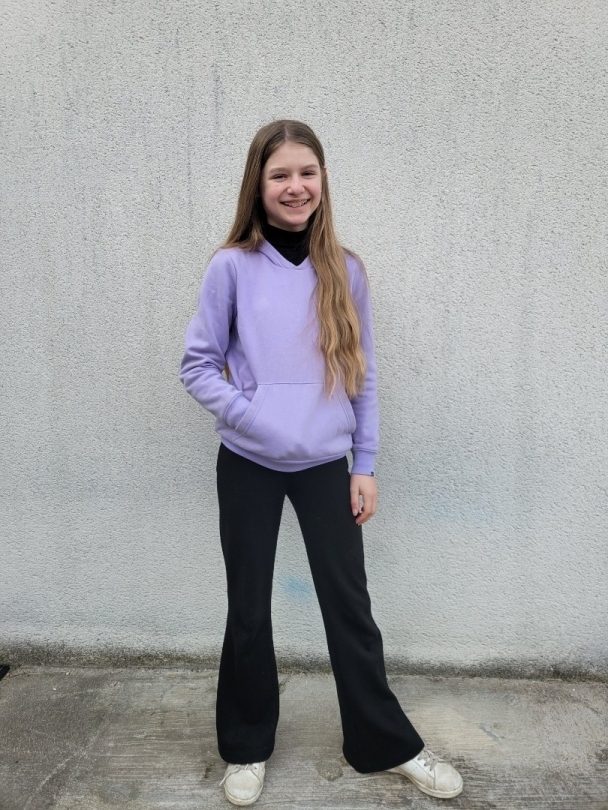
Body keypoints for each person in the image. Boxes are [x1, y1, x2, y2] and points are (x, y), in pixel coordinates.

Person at [179, 120, 463, 805]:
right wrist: (257, 417)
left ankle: (383, 743)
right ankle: (246, 746)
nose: (295, 186)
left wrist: (365, 463)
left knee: (349, 606)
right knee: (249, 609)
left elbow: (363, 375)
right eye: (280, 174)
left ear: (323, 179)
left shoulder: (347, 269)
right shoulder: (231, 267)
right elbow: (197, 366)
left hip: (326, 466)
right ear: (258, 184)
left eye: (307, 172)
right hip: (248, 463)